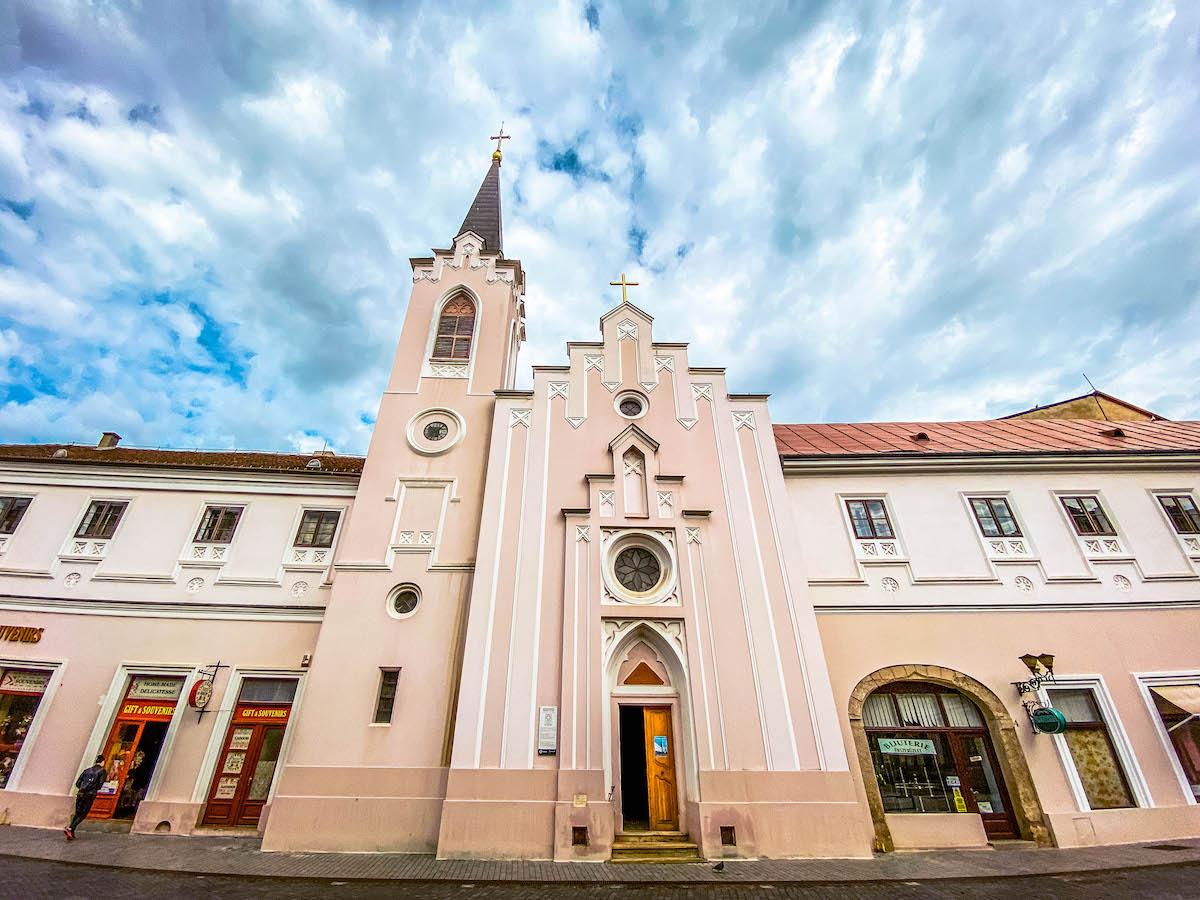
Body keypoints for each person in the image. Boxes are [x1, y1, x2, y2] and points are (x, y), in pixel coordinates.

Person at [65, 755, 106, 841]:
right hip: (90, 795)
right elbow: (99, 785)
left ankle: (71, 831)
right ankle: (70, 828)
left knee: (78, 812)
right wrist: (92, 789)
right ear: (102, 762)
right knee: (83, 814)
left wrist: (82, 788)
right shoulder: (102, 771)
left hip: (80, 793)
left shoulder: (87, 771)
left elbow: (78, 783)